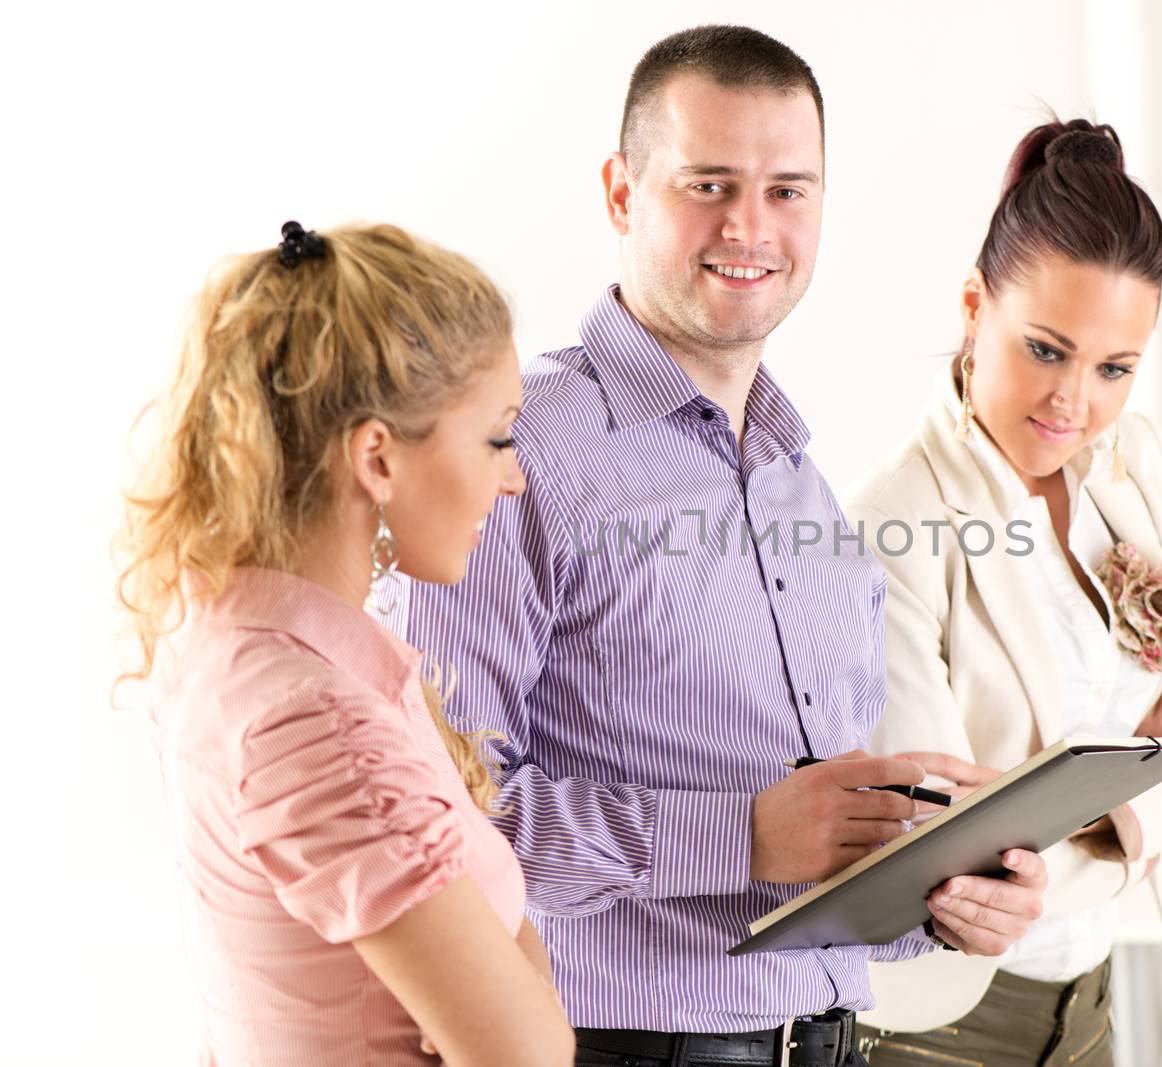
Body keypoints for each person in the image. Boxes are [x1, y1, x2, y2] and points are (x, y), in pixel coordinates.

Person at [400, 25, 1048, 1067]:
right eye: (708, 183)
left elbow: (820, 835)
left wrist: (944, 889)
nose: (751, 225)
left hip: (833, 1040)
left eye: (788, 189)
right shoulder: (520, 455)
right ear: (621, 192)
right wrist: (737, 835)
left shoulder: (801, 477)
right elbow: (443, 819)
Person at [847, 119, 1162, 1067]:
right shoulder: (893, 525)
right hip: (939, 1028)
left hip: (1090, 1003)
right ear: (974, 306)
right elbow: (951, 871)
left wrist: (1064, 825)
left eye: (1115, 368)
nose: (1073, 405)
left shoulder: (1138, 467)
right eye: (1044, 349)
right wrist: (1150, 766)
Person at [116, 222, 573, 1067]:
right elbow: (529, 1052)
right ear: (377, 457)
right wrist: (518, 984)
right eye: (498, 436)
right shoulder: (314, 717)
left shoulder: (258, 645)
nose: (514, 476)